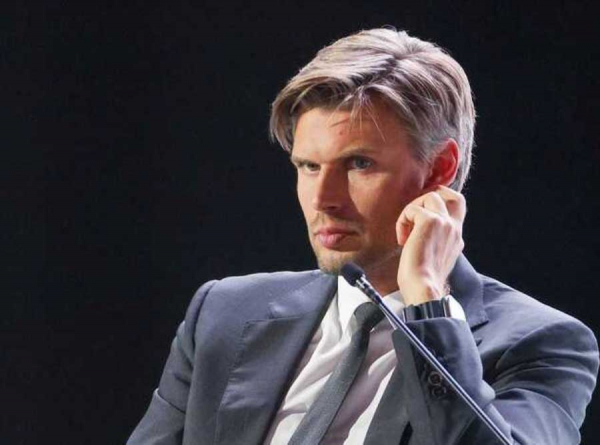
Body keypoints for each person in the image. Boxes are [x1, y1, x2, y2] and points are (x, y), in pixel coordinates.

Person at [127, 28, 598, 444]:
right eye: (309, 166)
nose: (323, 199)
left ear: (440, 169)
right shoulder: (222, 314)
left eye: (359, 164)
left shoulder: (541, 344)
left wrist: (427, 304)